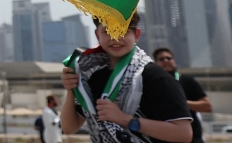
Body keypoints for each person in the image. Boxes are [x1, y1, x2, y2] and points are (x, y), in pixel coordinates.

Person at [61, 13, 192, 143]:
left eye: (123, 31)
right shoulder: (94, 77)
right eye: (107, 32)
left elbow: (183, 134)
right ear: (97, 35)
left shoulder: (156, 77)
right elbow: (69, 128)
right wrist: (72, 90)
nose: (115, 38)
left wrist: (125, 119)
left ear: (136, 35)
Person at [153, 48, 211, 143]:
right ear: (155, 63)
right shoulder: (152, 84)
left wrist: (181, 103)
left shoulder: (187, 81)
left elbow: (207, 107)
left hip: (192, 138)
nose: (166, 61)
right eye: (161, 59)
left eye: (169, 58)